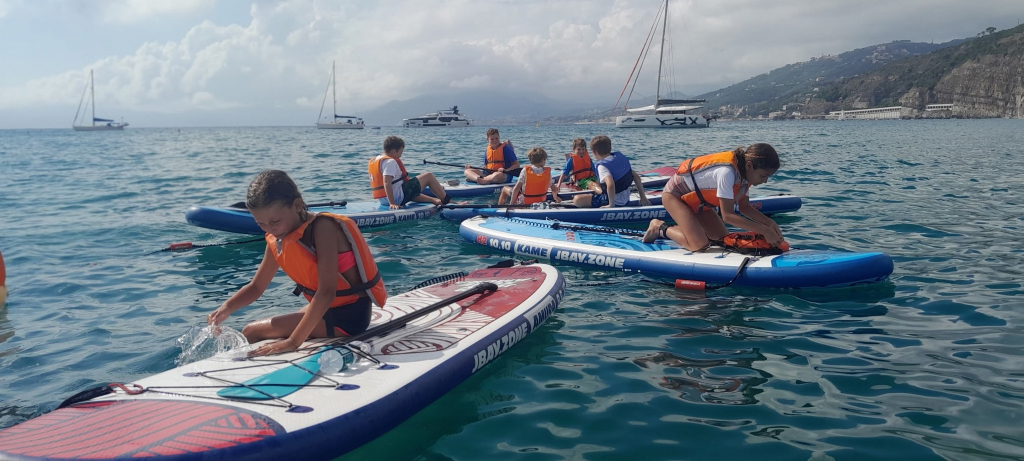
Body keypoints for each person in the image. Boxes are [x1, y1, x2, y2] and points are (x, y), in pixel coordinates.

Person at [208, 170, 388, 356]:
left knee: (250, 331)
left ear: (297, 205)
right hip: (329, 310)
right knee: (264, 328)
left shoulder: (323, 228)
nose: (270, 229)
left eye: (275, 221)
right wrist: (226, 308)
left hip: (349, 317)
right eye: (261, 224)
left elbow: (326, 292)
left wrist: (292, 342)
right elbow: (256, 287)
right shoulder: (277, 238)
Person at [641, 143, 783, 250]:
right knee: (699, 245)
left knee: (722, 240)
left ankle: (691, 230)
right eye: (763, 176)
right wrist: (764, 230)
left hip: (699, 203)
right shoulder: (727, 173)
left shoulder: (745, 178)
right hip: (675, 195)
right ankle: (658, 227)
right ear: (749, 166)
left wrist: (770, 224)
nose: (765, 181)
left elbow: (745, 208)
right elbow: (727, 216)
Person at [369, 136, 452, 209]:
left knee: (409, 187)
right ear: (394, 151)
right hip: (395, 198)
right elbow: (387, 182)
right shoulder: (390, 162)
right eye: (401, 152)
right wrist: (392, 203)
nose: (400, 155)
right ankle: (448, 201)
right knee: (428, 176)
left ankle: (434, 200)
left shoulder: (378, 159)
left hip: (383, 200)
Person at [572, 135, 651, 208]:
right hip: (626, 199)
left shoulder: (602, 166)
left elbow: (610, 184)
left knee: (577, 199)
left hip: (613, 201)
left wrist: (611, 205)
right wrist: (643, 197)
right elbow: (636, 176)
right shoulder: (618, 159)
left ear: (594, 152)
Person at [497, 147, 561, 205]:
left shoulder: (525, 171)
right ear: (542, 161)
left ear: (530, 160)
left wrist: (512, 204)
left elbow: (516, 188)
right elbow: (554, 189)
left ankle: (500, 207)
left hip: (524, 202)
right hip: (540, 201)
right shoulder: (547, 173)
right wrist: (556, 198)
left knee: (505, 189)